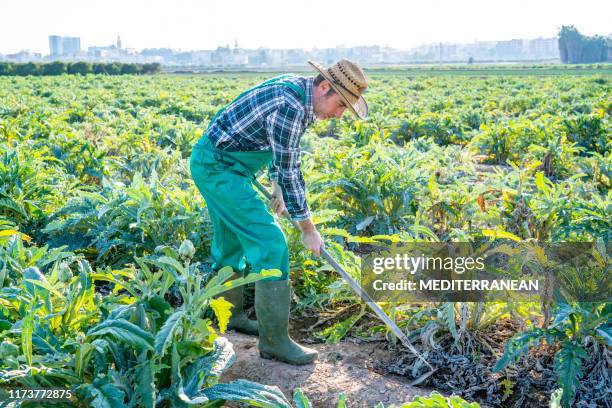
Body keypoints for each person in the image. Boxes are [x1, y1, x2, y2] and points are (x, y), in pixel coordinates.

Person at [190, 59, 368, 365]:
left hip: (223, 165)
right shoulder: (291, 105)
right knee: (271, 243)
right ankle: (274, 343)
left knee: (231, 241)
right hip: (219, 169)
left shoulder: (300, 93)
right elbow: (290, 169)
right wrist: (308, 229)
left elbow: (275, 144)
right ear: (324, 87)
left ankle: (229, 317)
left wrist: (276, 185)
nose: (339, 115)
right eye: (340, 105)